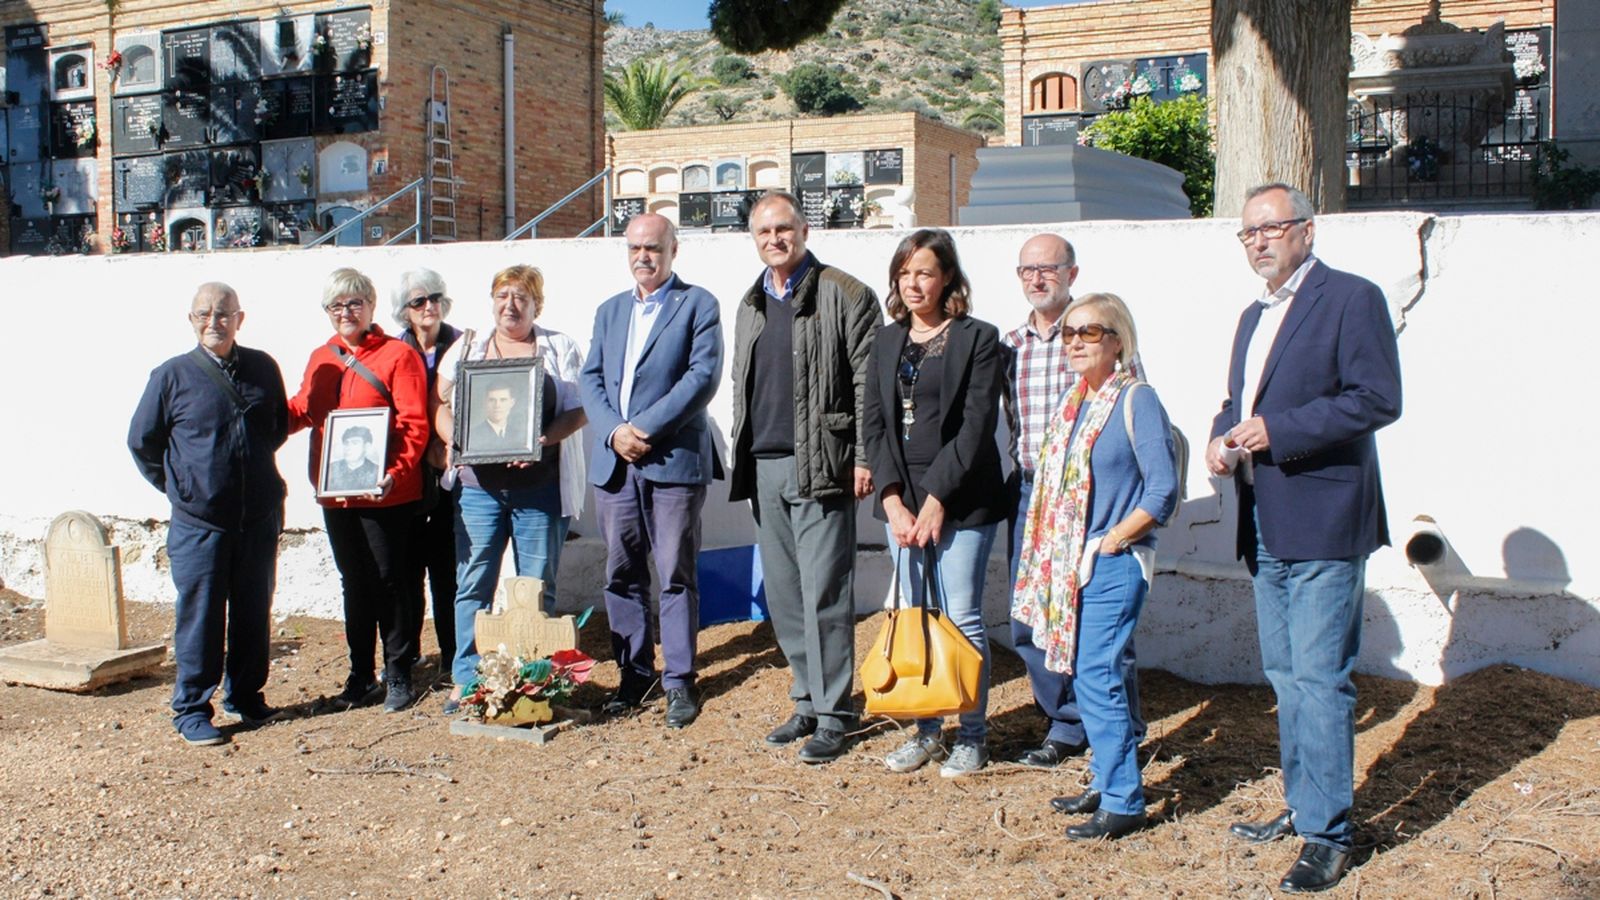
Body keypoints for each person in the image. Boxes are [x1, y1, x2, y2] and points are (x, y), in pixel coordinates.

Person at [1206, 183, 1402, 892]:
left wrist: (1277, 432)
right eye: (1249, 232)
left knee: (1320, 681)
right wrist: (1220, 437)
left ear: (1307, 232)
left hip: (1324, 517)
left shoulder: (1352, 298)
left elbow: (1378, 399)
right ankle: (1304, 806)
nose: (1260, 240)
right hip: (1263, 518)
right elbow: (1241, 405)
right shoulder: (1251, 316)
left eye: (1273, 228)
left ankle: (1328, 833)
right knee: (1287, 680)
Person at [1013, 292, 1178, 840]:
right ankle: (1107, 779)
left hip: (1112, 562)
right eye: (1069, 333)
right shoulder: (1073, 402)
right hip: (1066, 566)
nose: (1076, 341)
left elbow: (1162, 489)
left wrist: (1111, 542)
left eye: (1090, 332)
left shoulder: (1137, 399)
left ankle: (1124, 800)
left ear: (1117, 340)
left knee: (1098, 675)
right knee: (1094, 675)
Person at [729, 191, 881, 763]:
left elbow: (870, 386)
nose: (775, 239)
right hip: (764, 465)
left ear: (805, 229)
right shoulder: (749, 303)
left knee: (824, 594)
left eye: (784, 228)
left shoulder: (847, 294)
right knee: (787, 596)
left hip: (823, 463)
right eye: (764, 232)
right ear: (754, 237)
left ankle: (837, 711)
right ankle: (808, 699)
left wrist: (865, 457)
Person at [862, 229, 1007, 777]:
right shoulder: (884, 340)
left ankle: (973, 734)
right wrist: (894, 500)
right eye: (905, 272)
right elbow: (873, 425)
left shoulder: (978, 338)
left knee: (961, 616)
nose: (913, 282)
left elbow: (976, 426)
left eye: (924, 271)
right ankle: (927, 729)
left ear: (947, 276)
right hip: (904, 498)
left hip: (964, 498)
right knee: (917, 615)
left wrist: (938, 498)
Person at [1003, 234, 1146, 768]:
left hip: (1093, 499)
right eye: (1027, 270)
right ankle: (1067, 722)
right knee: (1031, 617)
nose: (1037, 279)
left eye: (1048, 268)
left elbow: (1134, 416)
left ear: (1072, 273)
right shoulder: (1011, 344)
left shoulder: (1100, 336)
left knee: (1098, 620)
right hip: (1034, 495)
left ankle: (1120, 729)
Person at [128, 282, 288, 746]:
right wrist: (184, 489)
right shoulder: (171, 376)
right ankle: (193, 708)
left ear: (240, 318)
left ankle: (246, 694)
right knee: (201, 616)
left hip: (256, 518)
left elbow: (272, 428)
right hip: (201, 525)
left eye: (223, 314)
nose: (213, 322)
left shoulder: (262, 368)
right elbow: (144, 443)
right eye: (204, 314)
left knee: (253, 610)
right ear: (191, 320)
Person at [579, 213, 723, 728]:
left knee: (676, 573)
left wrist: (643, 428)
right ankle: (634, 674)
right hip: (615, 463)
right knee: (622, 574)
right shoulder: (610, 311)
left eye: (654, 248)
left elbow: (701, 377)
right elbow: (590, 377)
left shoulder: (698, 304)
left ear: (672, 250)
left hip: (672, 461)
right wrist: (615, 431)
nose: (644, 256)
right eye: (636, 248)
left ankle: (679, 681)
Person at [435, 264, 588, 714]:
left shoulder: (560, 347)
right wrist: (453, 440)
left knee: (537, 587)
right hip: (478, 489)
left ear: (537, 303)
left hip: (540, 489)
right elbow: (440, 404)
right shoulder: (466, 347)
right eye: (502, 295)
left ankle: (533, 680)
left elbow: (580, 409)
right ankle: (467, 678)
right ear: (492, 301)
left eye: (521, 296)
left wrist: (543, 441)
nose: (511, 305)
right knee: (473, 583)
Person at [288, 267, 430, 713]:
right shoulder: (321, 357)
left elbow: (413, 423)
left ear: (370, 306)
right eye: (337, 305)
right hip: (336, 494)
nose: (346, 312)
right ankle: (360, 672)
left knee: (391, 581)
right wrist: (260, 416)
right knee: (355, 583)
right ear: (327, 312)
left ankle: (399, 671)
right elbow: (304, 409)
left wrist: (396, 471)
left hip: (386, 492)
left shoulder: (397, 356)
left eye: (354, 303)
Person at [393, 268, 462, 681]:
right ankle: (410, 654)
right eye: (418, 301)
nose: (428, 306)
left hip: (453, 471)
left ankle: (455, 655)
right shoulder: (395, 349)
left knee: (449, 572)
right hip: (409, 477)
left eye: (434, 298)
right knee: (406, 571)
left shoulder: (462, 343)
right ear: (405, 311)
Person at [468, 381, 531, 452]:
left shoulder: (520, 436)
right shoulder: (473, 436)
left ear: (512, 403)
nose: (497, 405)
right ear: (485, 402)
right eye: (492, 400)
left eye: (503, 400)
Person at [325, 425, 379, 492]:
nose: (348, 447)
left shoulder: (376, 471)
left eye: (355, 443)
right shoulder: (331, 469)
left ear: (366, 447)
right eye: (346, 443)